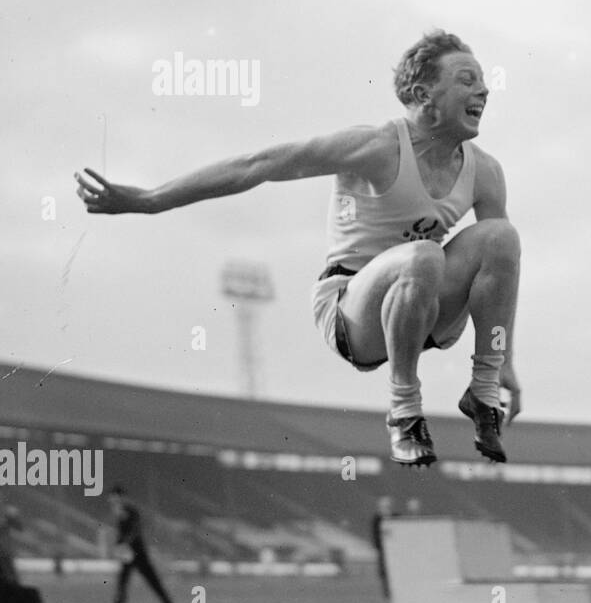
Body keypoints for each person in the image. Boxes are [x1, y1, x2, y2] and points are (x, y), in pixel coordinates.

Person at [75, 30, 522, 467]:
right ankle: (405, 412)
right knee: (424, 254)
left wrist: (506, 360)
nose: (483, 89)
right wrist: (151, 200)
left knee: (501, 237)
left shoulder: (485, 172)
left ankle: (482, 391)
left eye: (483, 80)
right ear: (425, 95)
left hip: (427, 313)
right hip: (353, 312)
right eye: (466, 79)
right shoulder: (378, 147)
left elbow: (498, 280)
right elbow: (261, 165)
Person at [108, 488, 174, 603]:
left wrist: (125, 543)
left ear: (120, 496)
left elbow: (135, 529)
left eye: (113, 497)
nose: (110, 499)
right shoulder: (119, 511)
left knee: (150, 578)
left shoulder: (130, 510)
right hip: (128, 551)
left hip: (136, 550)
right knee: (124, 579)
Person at [372, 496, 394, 599]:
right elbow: (375, 537)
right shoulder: (377, 520)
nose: (386, 509)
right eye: (384, 507)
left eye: (387, 507)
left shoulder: (396, 518)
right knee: (385, 572)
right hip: (384, 551)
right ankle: (387, 592)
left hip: (395, 552)